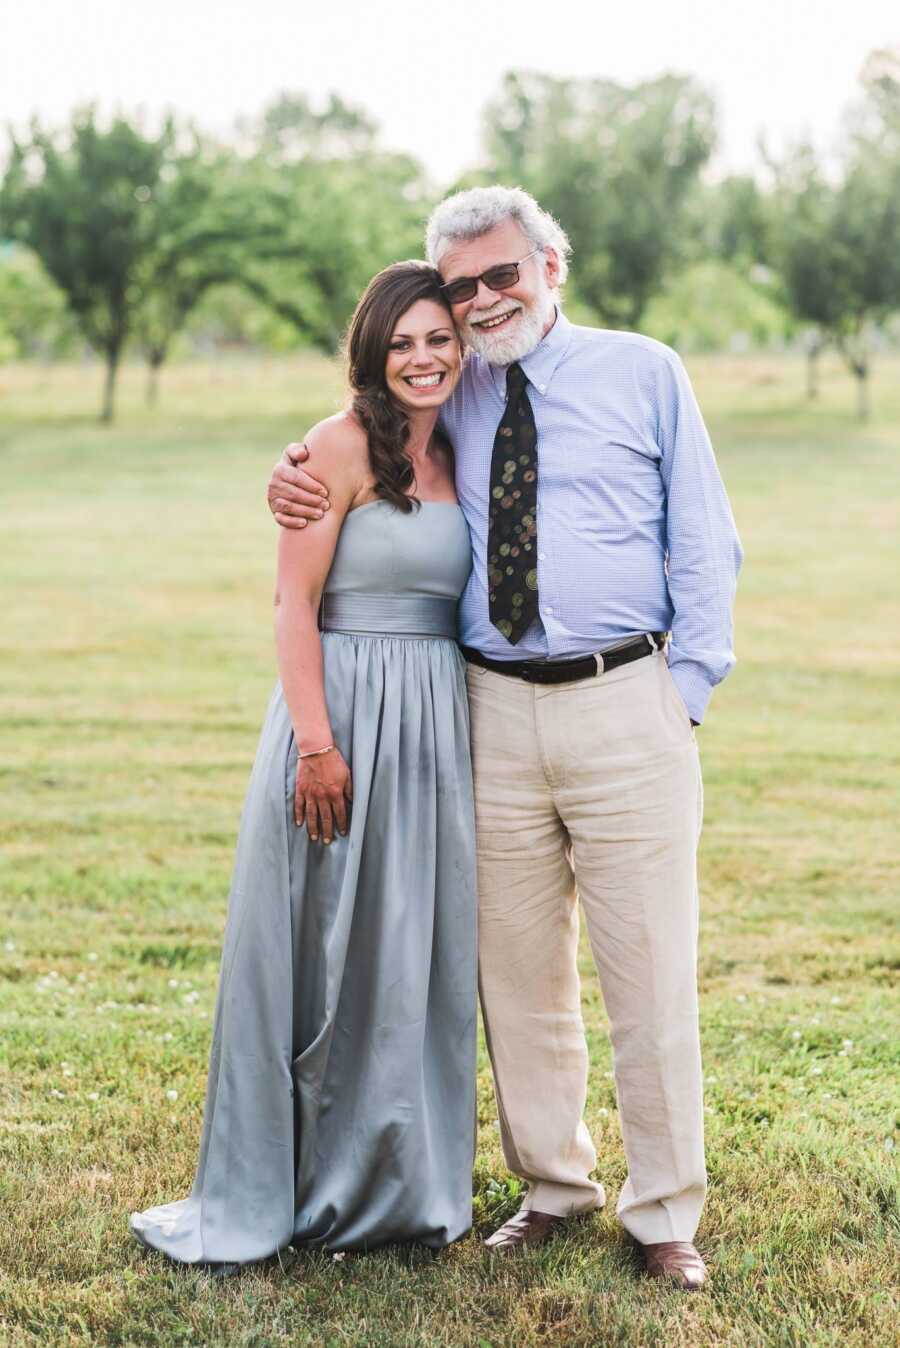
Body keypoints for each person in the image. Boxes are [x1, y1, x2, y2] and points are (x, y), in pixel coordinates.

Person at [267, 186, 743, 1291]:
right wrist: (290, 468)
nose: (484, 301)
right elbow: (353, 445)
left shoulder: (645, 370)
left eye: (502, 275)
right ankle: (553, 1186)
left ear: (551, 266)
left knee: (648, 966)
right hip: (488, 709)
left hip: (627, 697)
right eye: (464, 284)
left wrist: (687, 689)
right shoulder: (452, 386)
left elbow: (706, 540)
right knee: (516, 972)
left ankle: (665, 1208)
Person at [129, 261, 478, 1270]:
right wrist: (317, 744)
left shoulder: (466, 442)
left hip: (431, 727)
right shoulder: (334, 447)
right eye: (403, 342)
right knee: (324, 950)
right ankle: (303, 1176)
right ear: (373, 351)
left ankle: (400, 1176)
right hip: (340, 718)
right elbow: (292, 606)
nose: (423, 358)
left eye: (438, 339)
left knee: (411, 948)